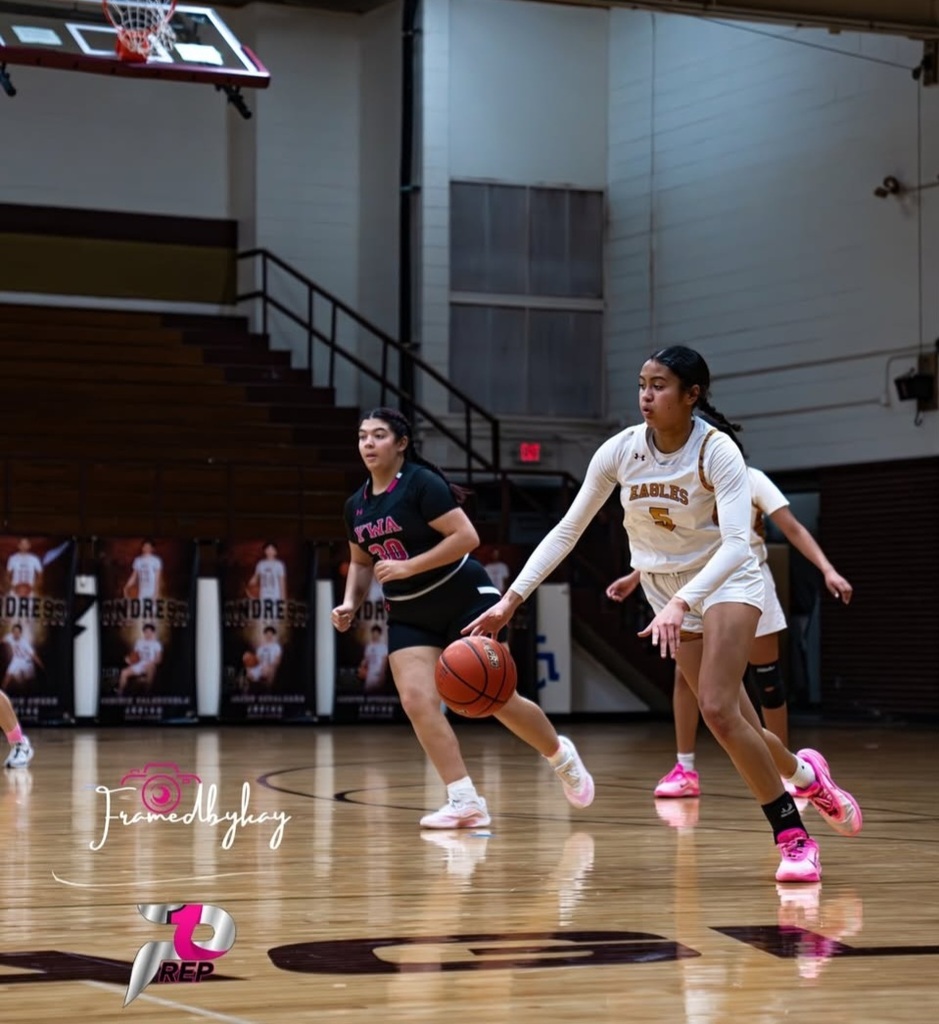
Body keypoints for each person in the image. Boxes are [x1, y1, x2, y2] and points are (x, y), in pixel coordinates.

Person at [464, 347, 862, 883]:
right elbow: (566, 530)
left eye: (660, 386)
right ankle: (806, 773)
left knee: (718, 711)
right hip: (663, 585)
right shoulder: (620, 451)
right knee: (737, 724)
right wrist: (512, 598)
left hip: (726, 581)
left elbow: (739, 544)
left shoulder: (716, 451)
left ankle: (793, 837)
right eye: (642, 385)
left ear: (692, 395)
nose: (646, 396)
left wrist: (682, 602)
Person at [331, 407, 594, 829]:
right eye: (362, 436)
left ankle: (560, 756)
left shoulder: (421, 484)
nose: (367, 443)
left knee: (496, 699)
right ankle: (464, 801)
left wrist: (409, 567)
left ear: (400, 444)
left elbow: (467, 537)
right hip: (409, 610)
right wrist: (350, 603)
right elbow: (361, 563)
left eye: (378, 435)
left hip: (464, 597)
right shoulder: (355, 507)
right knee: (417, 702)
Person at [608, 463, 853, 799]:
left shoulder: (751, 478)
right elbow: (670, 543)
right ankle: (685, 767)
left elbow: (792, 529)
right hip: (698, 582)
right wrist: (635, 577)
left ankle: (786, 766)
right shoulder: (682, 480)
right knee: (686, 675)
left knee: (767, 679)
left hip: (746, 580)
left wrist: (828, 570)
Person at [118, 623, 163, 692]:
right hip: (139, 664)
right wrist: (129, 659)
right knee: (123, 672)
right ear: (143, 632)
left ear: (153, 633)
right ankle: (119, 693)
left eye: (150, 632)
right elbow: (135, 655)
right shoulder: (139, 642)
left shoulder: (156, 644)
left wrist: (151, 663)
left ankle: (147, 692)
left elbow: (159, 659)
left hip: (150, 664)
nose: (148, 634)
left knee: (151, 669)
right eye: (146, 632)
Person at [2, 623, 43, 688]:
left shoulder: (25, 643)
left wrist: (41, 666)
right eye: (14, 631)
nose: (16, 633)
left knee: (30, 681)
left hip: (26, 662)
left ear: (20, 633)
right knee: (7, 676)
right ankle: (2, 694)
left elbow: (34, 656)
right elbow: (2, 640)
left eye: (18, 632)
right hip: (16, 660)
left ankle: (33, 693)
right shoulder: (9, 637)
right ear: (12, 632)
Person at [359, 624, 389, 693]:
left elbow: (384, 662)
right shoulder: (369, 646)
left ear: (379, 634)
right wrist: (362, 666)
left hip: (378, 674)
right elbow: (366, 659)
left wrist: (382, 675)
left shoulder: (383, 647)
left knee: (378, 695)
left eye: (376, 634)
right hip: (369, 674)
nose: (375, 635)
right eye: (373, 634)